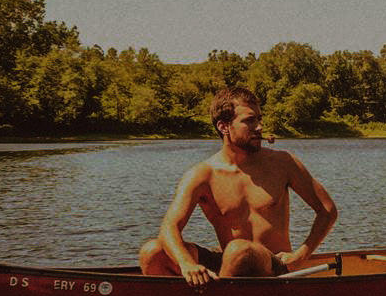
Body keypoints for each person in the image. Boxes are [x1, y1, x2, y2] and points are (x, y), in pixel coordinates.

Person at [139, 86, 338, 285]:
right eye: (249, 121)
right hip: (229, 262)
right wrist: (186, 264)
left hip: (275, 265)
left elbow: (327, 210)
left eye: (259, 119)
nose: (259, 127)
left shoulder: (283, 163)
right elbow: (169, 227)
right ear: (223, 127)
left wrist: (301, 255)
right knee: (152, 252)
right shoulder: (202, 174)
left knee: (239, 250)